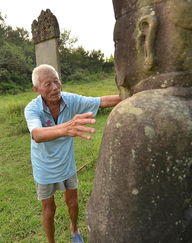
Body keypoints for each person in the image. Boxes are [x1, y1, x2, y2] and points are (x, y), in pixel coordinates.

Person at [24, 64, 121, 243]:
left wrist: (132, 95)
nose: (55, 87)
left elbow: (101, 101)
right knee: (49, 209)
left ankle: (74, 230)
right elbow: (37, 134)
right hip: (43, 168)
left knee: (73, 202)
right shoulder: (32, 109)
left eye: (57, 82)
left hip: (66, 164)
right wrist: (66, 128)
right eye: (48, 84)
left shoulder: (70, 100)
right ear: (36, 89)